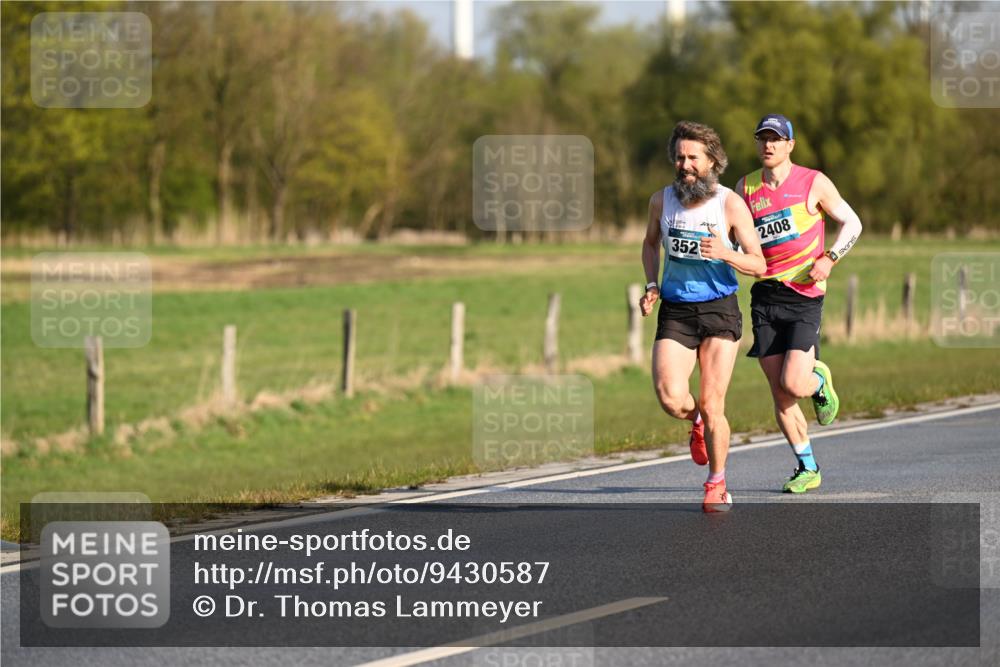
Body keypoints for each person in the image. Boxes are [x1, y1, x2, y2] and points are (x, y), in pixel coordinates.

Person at [640, 121, 766, 513]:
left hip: (718, 309)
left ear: (712, 161)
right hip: (676, 309)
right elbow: (649, 243)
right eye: (679, 157)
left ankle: (717, 482)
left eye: (693, 157)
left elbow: (758, 263)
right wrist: (651, 285)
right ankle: (695, 420)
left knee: (714, 404)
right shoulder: (661, 201)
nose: (685, 164)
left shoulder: (729, 204)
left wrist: (725, 253)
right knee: (670, 397)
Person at [735, 113, 863, 494]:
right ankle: (807, 467)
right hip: (765, 295)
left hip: (805, 294)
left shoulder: (814, 182)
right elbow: (736, 237)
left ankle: (819, 378)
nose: (768, 145)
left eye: (776, 139)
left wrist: (830, 258)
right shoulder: (745, 188)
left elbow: (852, 223)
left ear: (790, 144)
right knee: (780, 392)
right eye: (762, 139)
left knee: (794, 381)